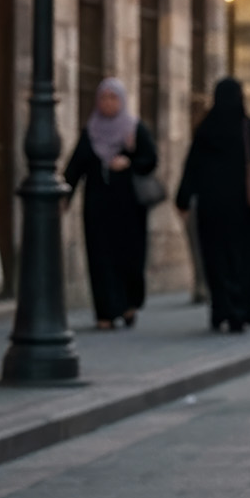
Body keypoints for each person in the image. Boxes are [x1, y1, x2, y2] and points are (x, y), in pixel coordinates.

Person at [175, 78, 250, 333]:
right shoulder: (248, 129)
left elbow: (191, 166)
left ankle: (220, 309)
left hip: (212, 210)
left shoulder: (205, 129)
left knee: (215, 260)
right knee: (245, 260)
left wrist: (183, 199)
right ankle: (240, 312)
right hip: (245, 211)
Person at [62, 77, 158, 331]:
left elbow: (150, 160)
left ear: (122, 100)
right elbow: (76, 166)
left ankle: (127, 305)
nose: (107, 103)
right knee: (100, 258)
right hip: (98, 207)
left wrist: (130, 160)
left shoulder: (134, 129)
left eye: (113, 97)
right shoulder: (91, 131)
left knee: (129, 257)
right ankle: (104, 311)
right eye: (103, 97)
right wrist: (65, 196)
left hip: (129, 208)